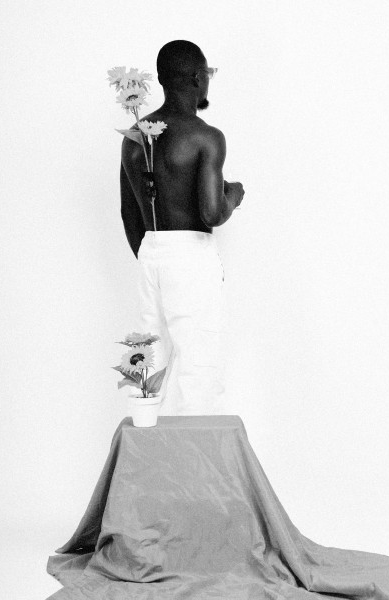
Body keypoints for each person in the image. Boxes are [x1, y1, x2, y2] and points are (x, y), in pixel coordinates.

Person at [120, 40, 245, 415]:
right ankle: (192, 467)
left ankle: (147, 452)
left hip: (150, 255)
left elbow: (130, 215)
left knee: (149, 361)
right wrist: (234, 195)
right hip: (190, 257)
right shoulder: (205, 137)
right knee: (198, 366)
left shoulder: (135, 136)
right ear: (196, 77)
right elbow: (211, 212)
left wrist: (155, 255)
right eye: (207, 74)